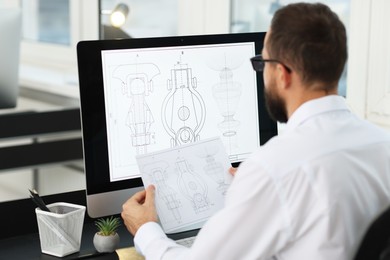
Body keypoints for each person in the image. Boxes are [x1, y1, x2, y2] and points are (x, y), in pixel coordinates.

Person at [121, 2, 390, 259]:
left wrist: (146, 230)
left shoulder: (273, 168)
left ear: (283, 73)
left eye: (262, 63)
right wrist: (255, 189)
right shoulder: (383, 143)